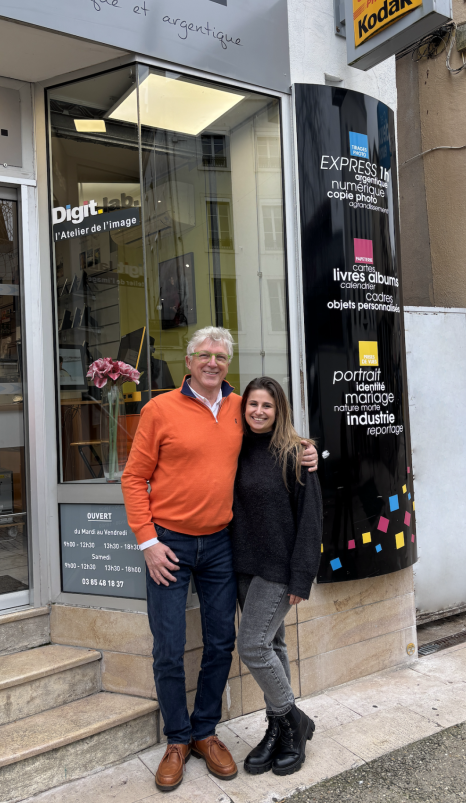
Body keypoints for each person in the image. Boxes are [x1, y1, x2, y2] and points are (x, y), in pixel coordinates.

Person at [121, 326, 318, 792]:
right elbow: (133, 478)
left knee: (221, 644)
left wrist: (309, 451)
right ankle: (177, 739)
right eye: (204, 355)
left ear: (228, 365)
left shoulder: (238, 407)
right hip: (169, 545)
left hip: (222, 547)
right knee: (168, 649)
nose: (213, 363)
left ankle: (206, 732)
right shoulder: (159, 409)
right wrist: (148, 542)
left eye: (221, 357)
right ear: (188, 361)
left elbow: (275, 438)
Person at [232, 377, 323, 777]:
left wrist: (301, 577)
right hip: (242, 565)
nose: (258, 411)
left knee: (252, 645)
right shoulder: (234, 448)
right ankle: (279, 732)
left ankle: (293, 721)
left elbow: (312, 518)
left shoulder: (296, 453)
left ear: (279, 409)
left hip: (278, 569)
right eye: (253, 404)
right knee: (274, 645)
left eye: (266, 406)